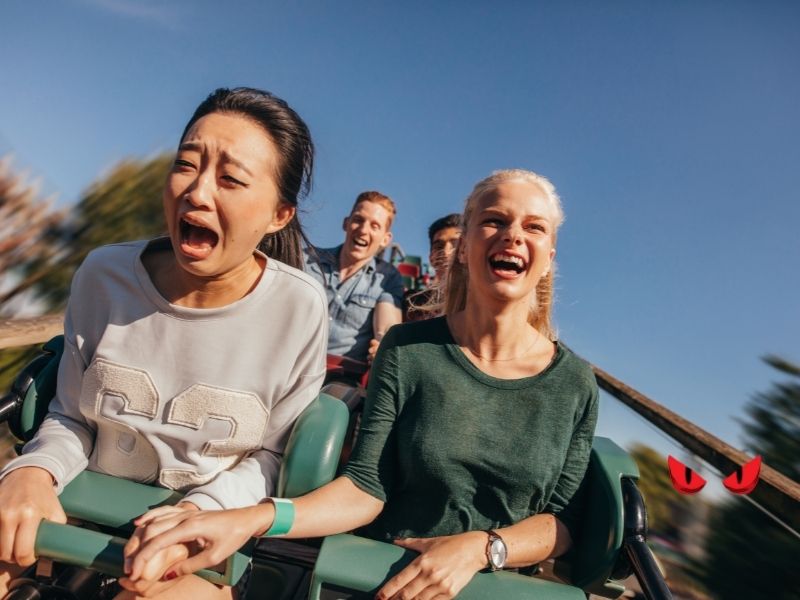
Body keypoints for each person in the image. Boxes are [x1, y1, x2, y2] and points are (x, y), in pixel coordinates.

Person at [122, 169, 599, 600]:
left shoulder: (574, 382)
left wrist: (479, 549)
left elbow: (562, 521)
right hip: (388, 577)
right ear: (467, 242)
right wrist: (250, 517)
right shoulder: (409, 349)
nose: (513, 236)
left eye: (533, 227)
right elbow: (367, 486)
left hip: (496, 584)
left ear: (549, 255)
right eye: (495, 221)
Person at [0, 87, 328, 600]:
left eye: (230, 179)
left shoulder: (300, 308)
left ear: (278, 216)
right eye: (186, 165)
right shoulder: (103, 275)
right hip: (73, 516)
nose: (197, 193)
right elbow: (70, 417)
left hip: (200, 549)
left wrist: (200, 514)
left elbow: (269, 457)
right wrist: (32, 472)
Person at [303, 191, 404, 363]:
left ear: (385, 239)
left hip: (340, 379)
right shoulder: (306, 259)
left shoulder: (387, 277)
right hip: (286, 364)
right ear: (346, 223)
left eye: (374, 226)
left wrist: (383, 344)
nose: (363, 230)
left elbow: (387, 328)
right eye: (358, 220)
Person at [405, 213, 462, 320]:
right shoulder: (412, 304)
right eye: (439, 246)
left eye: (456, 244)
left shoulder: (486, 302)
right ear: (431, 257)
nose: (446, 252)